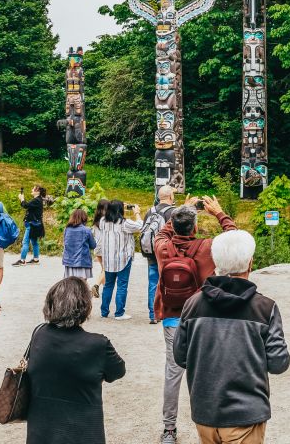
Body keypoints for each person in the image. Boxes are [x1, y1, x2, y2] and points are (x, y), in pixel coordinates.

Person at [173, 230, 290, 444]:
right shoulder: (265, 308)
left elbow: (180, 357)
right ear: (250, 263)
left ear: (215, 263)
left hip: (205, 412)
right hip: (246, 413)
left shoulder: (193, 304)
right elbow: (278, 363)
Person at [155, 196, 237, 444]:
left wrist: (183, 209)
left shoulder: (162, 247)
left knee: (173, 372)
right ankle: (213, 422)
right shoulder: (206, 248)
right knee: (207, 372)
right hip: (202, 317)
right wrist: (220, 213)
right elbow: (236, 241)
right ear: (196, 227)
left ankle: (169, 429)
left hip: (171, 317)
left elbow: (162, 231)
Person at [27, 277, 127, 444]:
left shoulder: (39, 334)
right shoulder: (98, 345)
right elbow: (118, 371)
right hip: (83, 432)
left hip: (41, 432)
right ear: (84, 306)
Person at [94, 199, 143, 320]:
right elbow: (141, 226)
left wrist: (117, 206)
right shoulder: (125, 223)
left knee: (108, 285)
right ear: (120, 210)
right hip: (123, 259)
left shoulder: (102, 221)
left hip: (108, 259)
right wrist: (136, 212)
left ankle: (104, 312)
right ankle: (119, 313)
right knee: (122, 286)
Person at [145, 185, 177, 325]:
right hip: (167, 253)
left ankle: (153, 314)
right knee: (170, 283)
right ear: (170, 197)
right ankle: (167, 312)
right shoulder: (173, 212)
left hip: (151, 253)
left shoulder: (149, 211)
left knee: (153, 283)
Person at [12, 185, 46, 266]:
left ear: (38, 192)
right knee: (34, 242)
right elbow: (26, 205)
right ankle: (36, 259)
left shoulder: (36, 200)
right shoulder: (38, 200)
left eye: (33, 189)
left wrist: (22, 198)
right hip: (35, 224)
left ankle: (22, 260)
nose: (32, 189)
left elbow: (25, 205)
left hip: (31, 224)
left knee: (25, 242)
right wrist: (22, 200)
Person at [62, 208, 96, 283]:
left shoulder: (66, 229)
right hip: (82, 262)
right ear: (84, 218)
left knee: (70, 284)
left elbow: (64, 243)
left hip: (69, 262)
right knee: (82, 284)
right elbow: (93, 245)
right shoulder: (87, 230)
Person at [91, 198, 109, 298]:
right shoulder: (107, 220)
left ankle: (105, 289)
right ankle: (96, 285)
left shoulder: (96, 220)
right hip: (105, 248)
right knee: (106, 269)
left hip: (97, 248)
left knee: (103, 269)